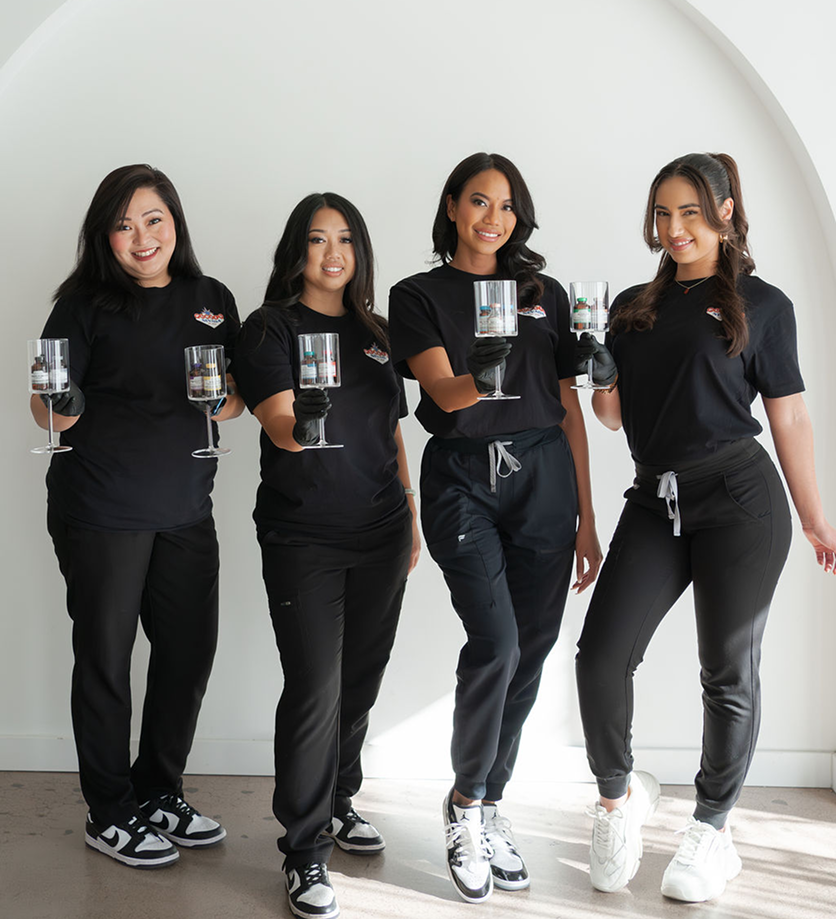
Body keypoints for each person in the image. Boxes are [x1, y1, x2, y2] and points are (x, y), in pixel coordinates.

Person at [574, 152, 836, 903]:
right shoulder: (631, 307)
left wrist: (817, 517)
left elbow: (788, 416)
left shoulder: (764, 305)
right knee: (600, 658)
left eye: (689, 211)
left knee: (726, 672)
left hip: (739, 499)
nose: (673, 228)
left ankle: (713, 830)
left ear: (724, 212)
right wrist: (600, 372)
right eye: (662, 213)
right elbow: (615, 416)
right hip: (654, 502)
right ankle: (617, 804)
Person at [388, 152, 602, 903]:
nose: (493, 218)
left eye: (506, 205)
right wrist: (489, 366)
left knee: (535, 649)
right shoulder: (416, 294)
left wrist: (586, 516)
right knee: (497, 642)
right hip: (464, 478)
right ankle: (465, 805)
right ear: (452, 207)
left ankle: (491, 799)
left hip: (546, 476)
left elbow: (570, 404)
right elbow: (445, 394)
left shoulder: (545, 292)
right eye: (478, 202)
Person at [31, 164, 244, 868]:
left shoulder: (211, 298)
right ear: (105, 238)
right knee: (106, 662)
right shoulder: (85, 304)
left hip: (186, 508)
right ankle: (109, 810)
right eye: (123, 224)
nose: (140, 236)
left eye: (152, 219)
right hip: (102, 509)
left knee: (187, 654)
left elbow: (235, 399)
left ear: (174, 223)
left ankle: (158, 793)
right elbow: (47, 402)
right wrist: (60, 403)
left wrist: (227, 401)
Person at [234, 192, 420, 919]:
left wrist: (408, 516)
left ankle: (340, 800)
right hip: (302, 536)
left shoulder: (377, 334)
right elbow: (280, 424)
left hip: (379, 532)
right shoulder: (267, 329)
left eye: (345, 239)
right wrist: (304, 414)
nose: (332, 253)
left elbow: (394, 433)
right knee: (314, 688)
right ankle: (305, 852)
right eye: (317, 240)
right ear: (296, 252)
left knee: (359, 685)